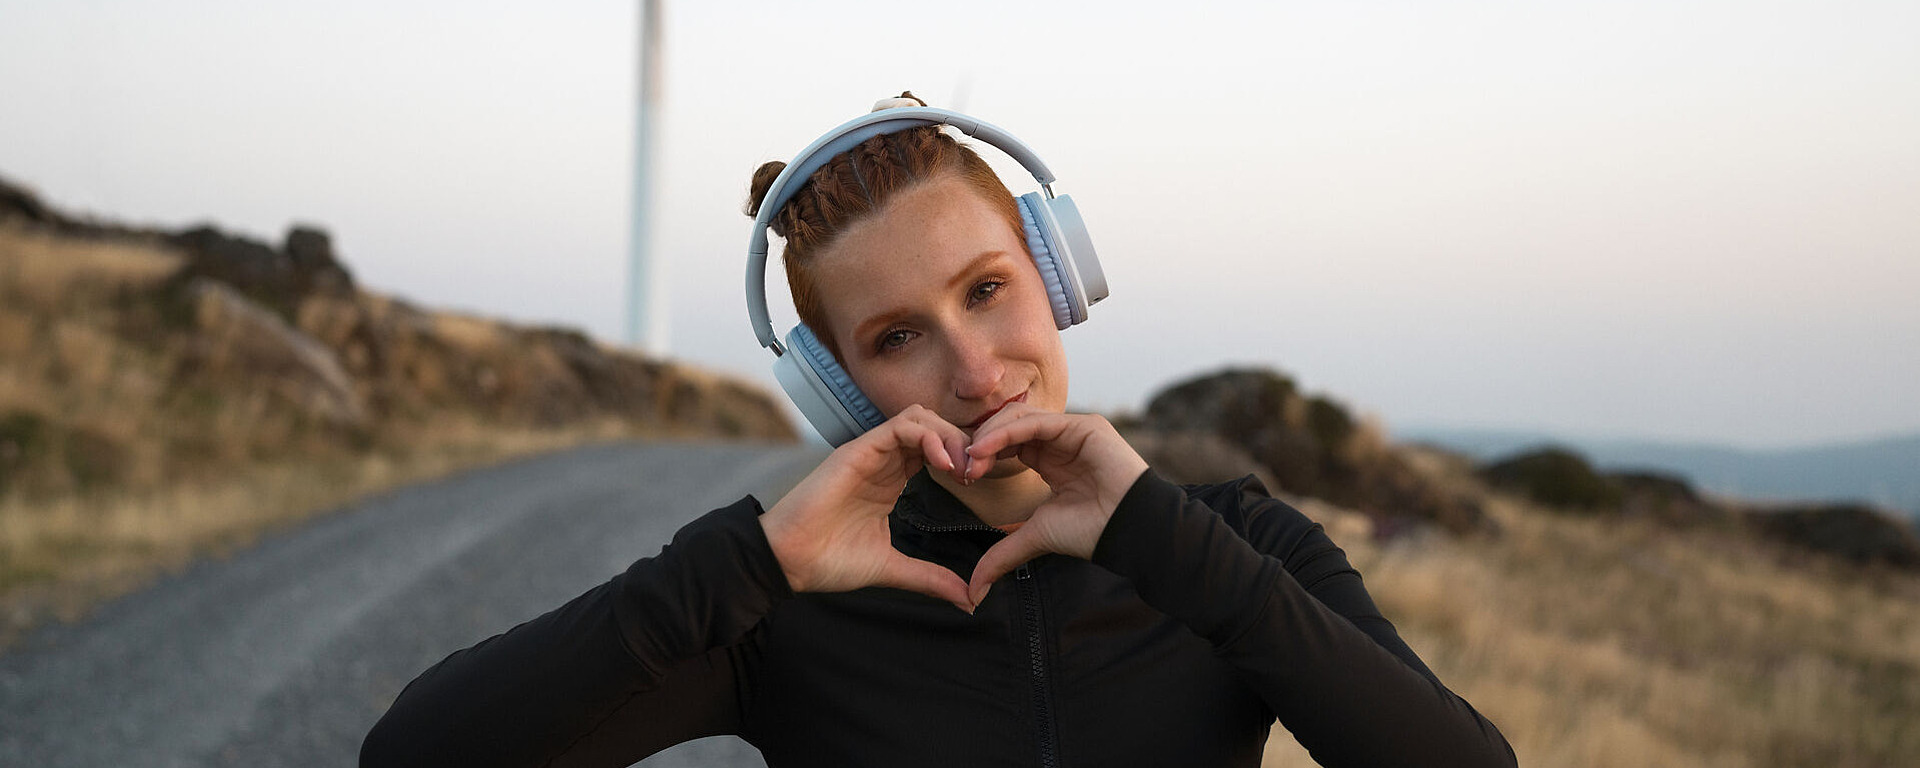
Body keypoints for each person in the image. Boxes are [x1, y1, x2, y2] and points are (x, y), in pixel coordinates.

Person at [361, 93, 1516, 767]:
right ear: (840, 390)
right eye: (898, 338)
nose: (975, 369)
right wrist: (747, 563)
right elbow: (415, 758)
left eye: (985, 290)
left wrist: (1170, 543)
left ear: (1057, 274)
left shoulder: (1237, 552)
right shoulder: (789, 610)